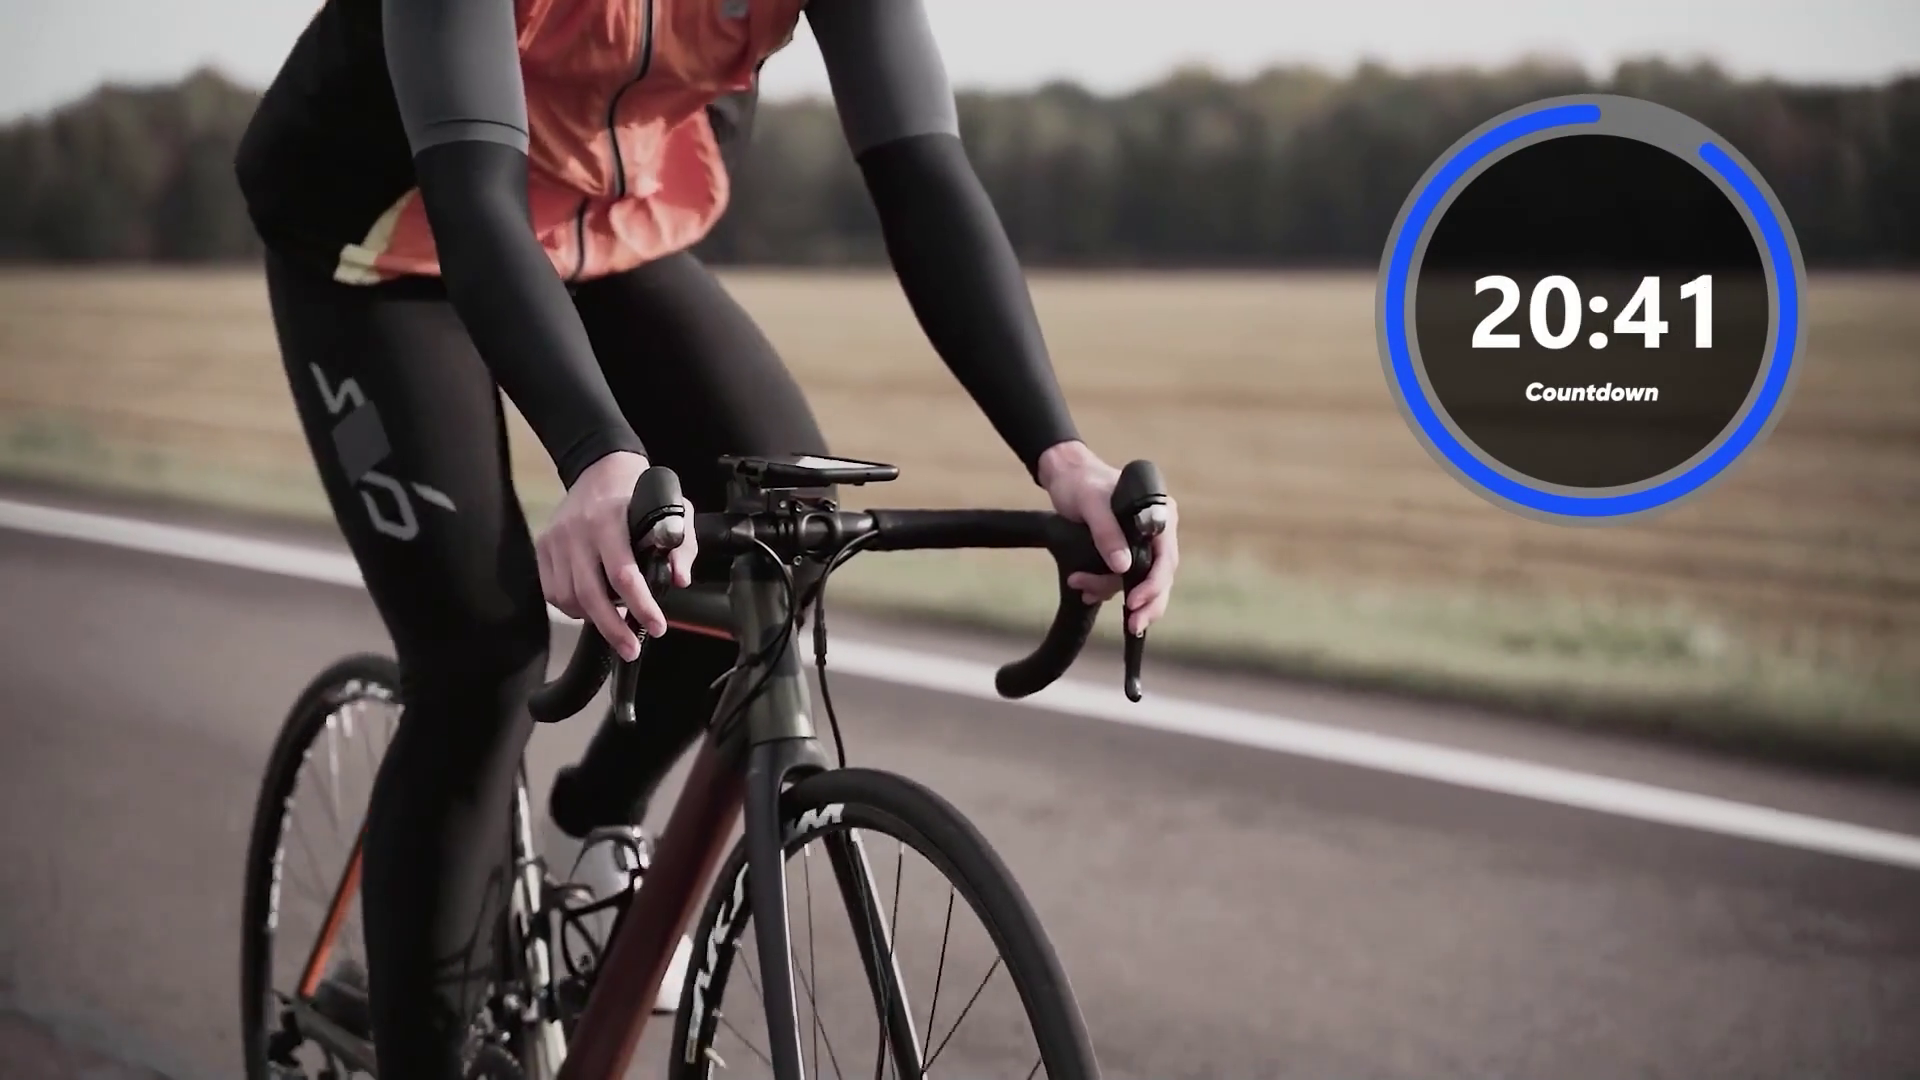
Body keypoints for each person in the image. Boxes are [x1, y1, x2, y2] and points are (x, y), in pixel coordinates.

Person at [235, 0, 1182, 1076]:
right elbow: (472, 196)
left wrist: (1063, 457)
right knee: (479, 656)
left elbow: (922, 171)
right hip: (382, 239)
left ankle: (601, 822)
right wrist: (598, 456)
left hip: (603, 228)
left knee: (778, 538)